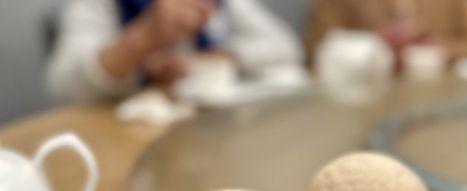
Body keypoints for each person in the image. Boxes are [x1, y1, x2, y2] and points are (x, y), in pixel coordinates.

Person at [47, 0, 303, 102]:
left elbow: (286, 47)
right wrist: (139, 40)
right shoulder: (99, 6)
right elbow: (63, 88)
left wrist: (209, 60)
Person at [307, 0, 467, 64]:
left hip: (443, 95)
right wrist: (373, 45)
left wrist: (441, 49)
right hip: (365, 97)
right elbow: (316, 48)